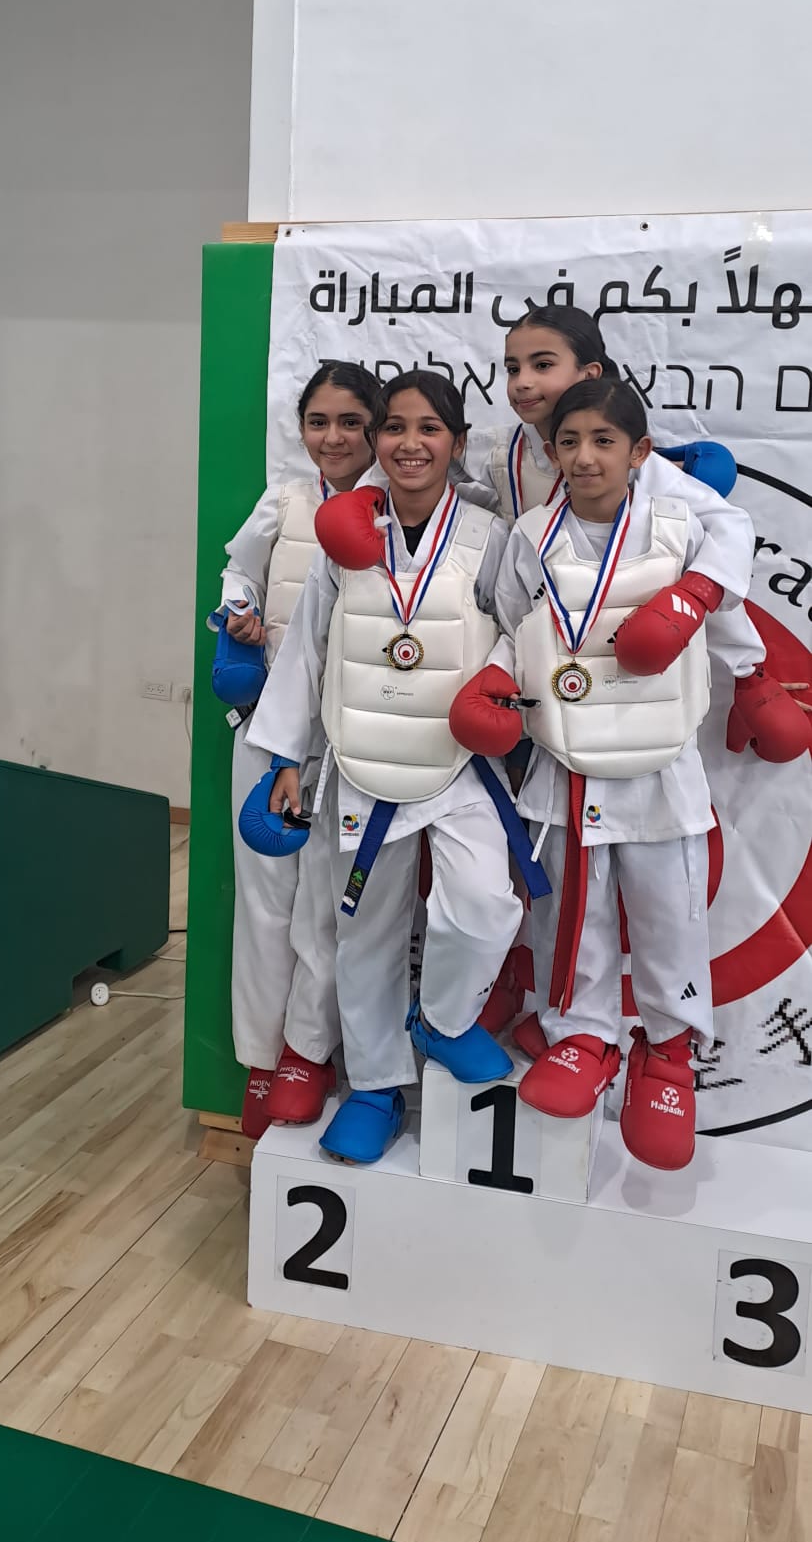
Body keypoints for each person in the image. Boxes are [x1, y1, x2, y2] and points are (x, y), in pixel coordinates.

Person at [244, 371, 534, 1166]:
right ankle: (374, 1088)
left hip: (457, 765)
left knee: (484, 907)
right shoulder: (345, 539)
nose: (411, 443)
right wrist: (288, 757)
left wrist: (495, 682)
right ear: (376, 441)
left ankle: (441, 1020)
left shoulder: (488, 537)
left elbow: (526, 632)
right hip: (363, 766)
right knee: (364, 936)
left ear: (457, 442)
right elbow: (307, 652)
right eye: (395, 428)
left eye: (429, 428)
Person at [451, 378, 724, 1170]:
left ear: (640, 452)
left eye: (604, 441)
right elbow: (518, 625)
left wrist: (758, 681)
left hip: (657, 763)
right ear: (550, 451)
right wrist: (493, 676)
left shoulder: (679, 526)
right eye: (568, 442)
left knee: (670, 913)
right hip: (567, 761)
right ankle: (582, 1035)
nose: (584, 457)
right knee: (574, 911)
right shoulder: (531, 534)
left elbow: (726, 612)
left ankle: (668, 1053)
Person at [463, 304, 807, 762]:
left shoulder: (640, 467)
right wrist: (368, 499)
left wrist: (744, 669)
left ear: (589, 374)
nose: (522, 381)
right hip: (548, 654)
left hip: (632, 651)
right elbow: (418, 458)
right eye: (512, 368)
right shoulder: (498, 449)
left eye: (542, 365)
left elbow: (726, 528)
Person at [220, 360, 381, 1138]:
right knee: (264, 903)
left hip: (352, 738)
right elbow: (238, 574)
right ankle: (260, 1057)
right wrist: (239, 616)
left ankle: (305, 1054)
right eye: (319, 421)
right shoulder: (283, 500)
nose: (334, 437)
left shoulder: (397, 509)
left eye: (351, 422)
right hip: (266, 729)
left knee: (327, 906)